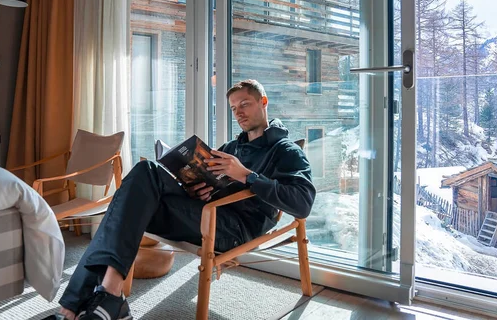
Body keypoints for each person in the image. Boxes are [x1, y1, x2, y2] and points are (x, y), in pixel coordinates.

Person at [46, 79, 316, 320]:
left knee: (125, 210)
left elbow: (302, 203)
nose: (239, 113)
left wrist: (247, 175)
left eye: (245, 104)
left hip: (235, 228)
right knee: (145, 172)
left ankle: (79, 306)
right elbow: (210, 184)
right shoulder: (232, 148)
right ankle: (106, 295)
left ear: (263, 102)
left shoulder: (286, 151)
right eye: (234, 108)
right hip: (205, 212)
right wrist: (195, 189)